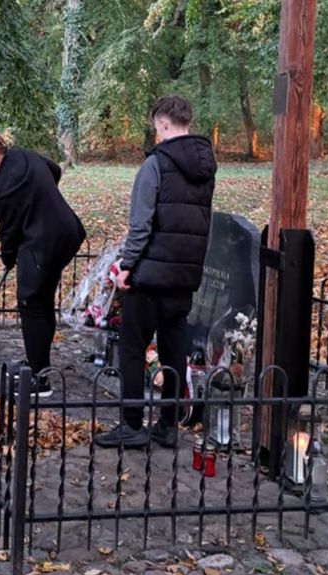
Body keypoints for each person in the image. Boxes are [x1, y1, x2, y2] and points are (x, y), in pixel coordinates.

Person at [94, 95, 217, 449]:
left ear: (162, 125)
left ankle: (132, 424)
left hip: (148, 276)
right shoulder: (206, 165)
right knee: (174, 349)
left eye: (156, 128)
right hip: (184, 276)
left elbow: (141, 225)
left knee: (132, 348)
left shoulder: (155, 165)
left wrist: (126, 266)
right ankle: (167, 424)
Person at [0, 130, 85, 398]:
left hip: (46, 241)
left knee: (30, 302)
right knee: (41, 299)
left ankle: (41, 380)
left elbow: (9, 231)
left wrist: (8, 257)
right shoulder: (25, 156)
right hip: (66, 233)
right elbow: (54, 169)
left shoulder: (6, 188)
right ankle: (37, 364)